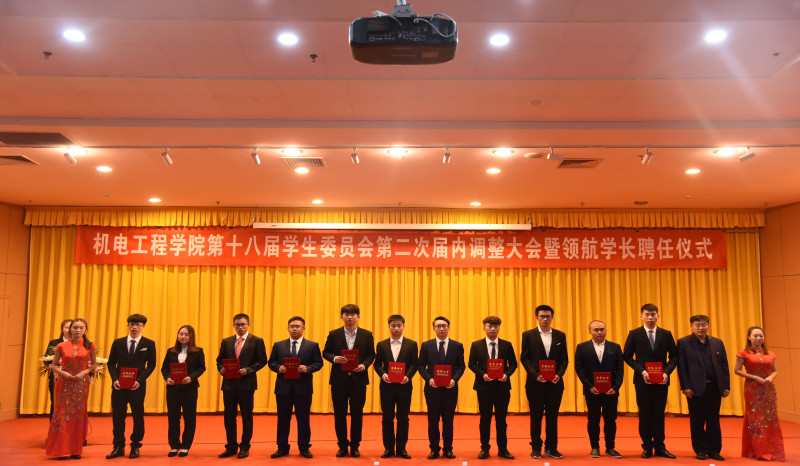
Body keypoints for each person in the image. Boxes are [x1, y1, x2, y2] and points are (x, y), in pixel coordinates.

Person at [622, 303, 678, 459]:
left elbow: (674, 356)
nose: (650, 317)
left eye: (653, 314)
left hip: (661, 381)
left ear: (658, 316)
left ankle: (660, 446)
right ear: (641, 316)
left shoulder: (666, 334)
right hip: (643, 381)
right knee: (645, 414)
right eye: (647, 314)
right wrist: (642, 371)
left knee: (659, 413)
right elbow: (627, 356)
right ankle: (646, 446)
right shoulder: (634, 334)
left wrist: (666, 372)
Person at [322, 304, 376, 458]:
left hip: (359, 381)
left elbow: (371, 355)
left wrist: (364, 365)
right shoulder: (334, 334)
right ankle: (342, 446)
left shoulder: (367, 335)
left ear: (358, 317)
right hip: (339, 381)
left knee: (357, 415)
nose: (350, 317)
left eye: (353, 314)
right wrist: (334, 358)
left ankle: (355, 446)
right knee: (339, 415)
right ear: (341, 317)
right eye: (347, 314)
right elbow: (325, 352)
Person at [267, 316, 324, 459]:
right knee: (282, 419)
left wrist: (308, 368)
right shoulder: (278, 345)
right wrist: (278, 368)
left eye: (298, 326)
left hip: (303, 388)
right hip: (283, 389)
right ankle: (282, 448)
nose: (295, 329)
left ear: (303, 328)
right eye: (292, 326)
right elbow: (271, 362)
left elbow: (318, 363)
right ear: (287, 328)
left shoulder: (312, 345)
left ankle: (304, 447)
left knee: (303, 419)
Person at [677, 314, 730, 461]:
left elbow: (724, 366)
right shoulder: (683, 343)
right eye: (697, 325)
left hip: (715, 387)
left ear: (708, 325)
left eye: (704, 325)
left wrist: (726, 386)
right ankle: (700, 450)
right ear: (691, 326)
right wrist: (685, 386)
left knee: (714, 420)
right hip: (695, 388)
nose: (701, 328)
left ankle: (714, 450)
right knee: (697, 421)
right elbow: (682, 367)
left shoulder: (717, 342)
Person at [520, 304, 569, 459]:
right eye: (542, 316)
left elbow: (564, 360)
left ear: (552, 318)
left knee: (552, 417)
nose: (545, 319)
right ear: (537, 317)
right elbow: (525, 358)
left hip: (555, 383)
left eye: (548, 316)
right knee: (536, 416)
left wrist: (559, 375)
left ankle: (551, 447)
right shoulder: (528, 335)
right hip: (535, 384)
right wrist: (535, 375)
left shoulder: (560, 335)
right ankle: (536, 447)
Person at [216, 313, 268, 459]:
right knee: (229, 417)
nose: (240, 327)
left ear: (248, 325)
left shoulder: (257, 341)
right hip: (229, 385)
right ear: (233, 325)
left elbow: (262, 361)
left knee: (247, 416)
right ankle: (231, 446)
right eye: (237, 324)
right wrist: (221, 369)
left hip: (247, 385)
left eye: (243, 324)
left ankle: (245, 446)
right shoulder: (226, 341)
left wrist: (249, 370)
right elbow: (219, 361)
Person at [106, 313, 157, 459]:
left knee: (138, 416)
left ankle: (135, 445)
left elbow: (151, 365)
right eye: (132, 324)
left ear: (143, 326)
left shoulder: (149, 343)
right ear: (128, 325)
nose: (135, 327)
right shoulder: (118, 342)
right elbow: (111, 363)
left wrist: (139, 380)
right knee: (118, 416)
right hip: (119, 386)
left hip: (137, 387)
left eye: (138, 325)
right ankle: (118, 446)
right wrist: (115, 379)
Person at [467, 316, 517, 460]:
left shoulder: (507, 345)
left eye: (496, 326)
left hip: (502, 387)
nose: (493, 329)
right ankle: (484, 448)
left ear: (499, 328)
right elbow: (471, 364)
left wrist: (506, 375)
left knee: (501, 420)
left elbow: (513, 364)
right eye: (490, 326)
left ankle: (503, 449)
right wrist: (482, 374)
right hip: (484, 387)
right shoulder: (476, 345)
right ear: (484, 328)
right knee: (485, 419)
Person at [45, 318, 96, 459]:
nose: (78, 330)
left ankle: (75, 450)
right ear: (70, 329)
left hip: (81, 384)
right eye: (75, 327)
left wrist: (83, 373)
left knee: (77, 416)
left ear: (85, 330)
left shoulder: (90, 346)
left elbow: (93, 365)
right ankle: (61, 449)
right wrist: (64, 373)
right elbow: (54, 365)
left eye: (81, 328)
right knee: (62, 414)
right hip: (64, 383)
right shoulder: (61, 346)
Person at [574, 320, 624, 459]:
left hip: (611, 391)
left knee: (611, 420)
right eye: (596, 330)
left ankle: (610, 447)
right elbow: (579, 368)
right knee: (593, 419)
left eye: (602, 329)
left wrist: (616, 387)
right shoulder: (582, 347)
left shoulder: (615, 347)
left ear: (606, 330)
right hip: (592, 391)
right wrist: (589, 386)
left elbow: (620, 369)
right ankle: (594, 447)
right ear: (589, 331)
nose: (599, 332)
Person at [418, 316, 466, 459]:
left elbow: (461, 366)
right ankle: (434, 449)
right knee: (433, 420)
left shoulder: (457, 346)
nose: (441, 328)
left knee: (448, 420)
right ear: (434, 328)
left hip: (450, 389)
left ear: (449, 328)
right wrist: (429, 379)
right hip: (432, 389)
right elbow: (421, 366)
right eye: (438, 326)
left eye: (444, 326)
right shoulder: (426, 345)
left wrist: (454, 379)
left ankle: (448, 448)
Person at [734, 326, 785, 461]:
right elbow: (737, 370)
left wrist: (770, 377)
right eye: (755, 336)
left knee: (770, 418)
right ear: (749, 337)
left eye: (761, 336)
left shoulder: (770, 353)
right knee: (755, 418)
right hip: (752, 388)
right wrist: (754, 377)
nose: (758, 338)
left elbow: (775, 370)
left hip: (768, 389)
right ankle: (758, 450)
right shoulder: (743, 353)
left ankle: (773, 450)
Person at [373, 314, 419, 459]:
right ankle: (388, 448)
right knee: (387, 417)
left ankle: (401, 448)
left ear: (403, 326)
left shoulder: (411, 344)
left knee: (403, 418)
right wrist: (383, 374)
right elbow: (377, 365)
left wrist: (408, 376)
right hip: (387, 387)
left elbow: (414, 364)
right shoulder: (381, 344)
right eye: (393, 326)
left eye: (399, 325)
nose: (396, 328)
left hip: (404, 386)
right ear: (389, 327)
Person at [160, 325, 206, 457]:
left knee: (189, 418)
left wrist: (191, 377)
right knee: (173, 418)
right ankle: (174, 446)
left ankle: (186, 446)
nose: (183, 336)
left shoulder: (198, 351)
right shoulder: (171, 351)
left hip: (189, 389)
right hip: (173, 389)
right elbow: (164, 369)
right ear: (178, 335)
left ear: (191, 336)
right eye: (181, 334)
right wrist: (167, 378)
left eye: (186, 334)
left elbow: (201, 368)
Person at [45, 319, 72, 421]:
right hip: (57, 378)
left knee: (73, 405)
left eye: (72, 327)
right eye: (67, 327)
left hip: (74, 379)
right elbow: (47, 360)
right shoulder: (54, 343)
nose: (69, 330)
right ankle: (54, 428)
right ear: (62, 329)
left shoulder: (80, 343)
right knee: (56, 403)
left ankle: (72, 429)